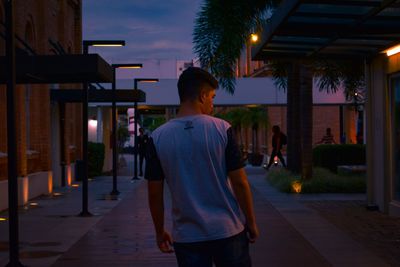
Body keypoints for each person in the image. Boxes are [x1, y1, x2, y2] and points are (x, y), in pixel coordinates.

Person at [145, 67, 258, 267]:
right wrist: (251, 221)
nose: (213, 104)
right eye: (212, 97)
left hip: (187, 235)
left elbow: (154, 193)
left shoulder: (158, 137)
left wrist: (159, 230)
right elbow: (240, 182)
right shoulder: (222, 129)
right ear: (202, 95)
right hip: (228, 229)